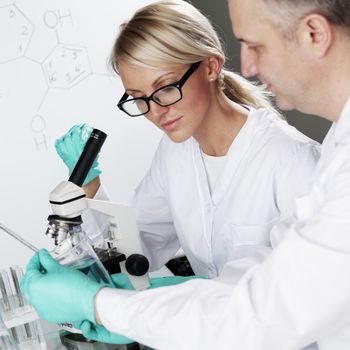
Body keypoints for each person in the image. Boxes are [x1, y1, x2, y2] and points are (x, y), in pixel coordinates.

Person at [23, 0, 350, 349]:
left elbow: (270, 309)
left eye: (165, 88)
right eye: (138, 98)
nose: (156, 111)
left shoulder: (294, 162)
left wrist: (104, 305)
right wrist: (90, 190)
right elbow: (138, 247)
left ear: (210, 67)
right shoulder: (175, 154)